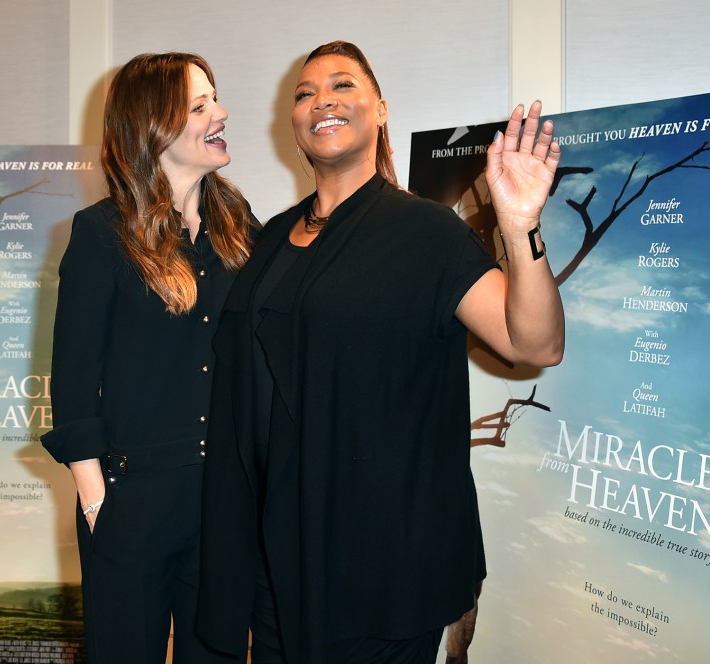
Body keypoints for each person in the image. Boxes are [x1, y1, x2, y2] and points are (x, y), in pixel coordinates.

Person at [197, 41, 564, 664]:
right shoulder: (272, 238)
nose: (323, 102)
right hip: (278, 560)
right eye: (305, 94)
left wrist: (520, 222)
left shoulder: (426, 232)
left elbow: (536, 342)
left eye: (342, 87)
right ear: (294, 123)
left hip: (380, 566)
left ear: (381, 110)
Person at [40, 52, 256, 664]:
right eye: (200, 105)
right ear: (153, 127)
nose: (221, 113)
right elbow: (75, 374)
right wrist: (95, 497)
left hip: (222, 503)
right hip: (129, 501)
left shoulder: (242, 228)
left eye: (215, 98)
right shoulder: (100, 233)